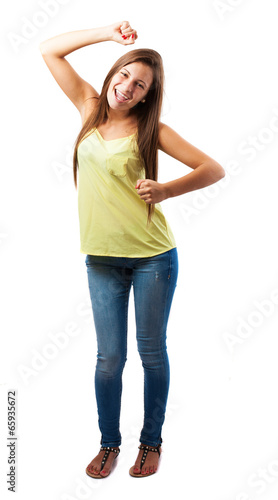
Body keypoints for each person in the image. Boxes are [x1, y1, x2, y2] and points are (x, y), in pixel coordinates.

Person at [40, 20, 225, 479]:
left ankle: (151, 443)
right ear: (113, 75)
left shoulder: (151, 128)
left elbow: (213, 168)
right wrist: (106, 33)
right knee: (108, 359)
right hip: (101, 260)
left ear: (146, 95)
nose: (126, 87)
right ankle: (109, 444)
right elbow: (49, 50)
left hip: (152, 260)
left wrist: (166, 190)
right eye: (123, 75)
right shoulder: (88, 107)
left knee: (151, 353)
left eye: (138, 84)